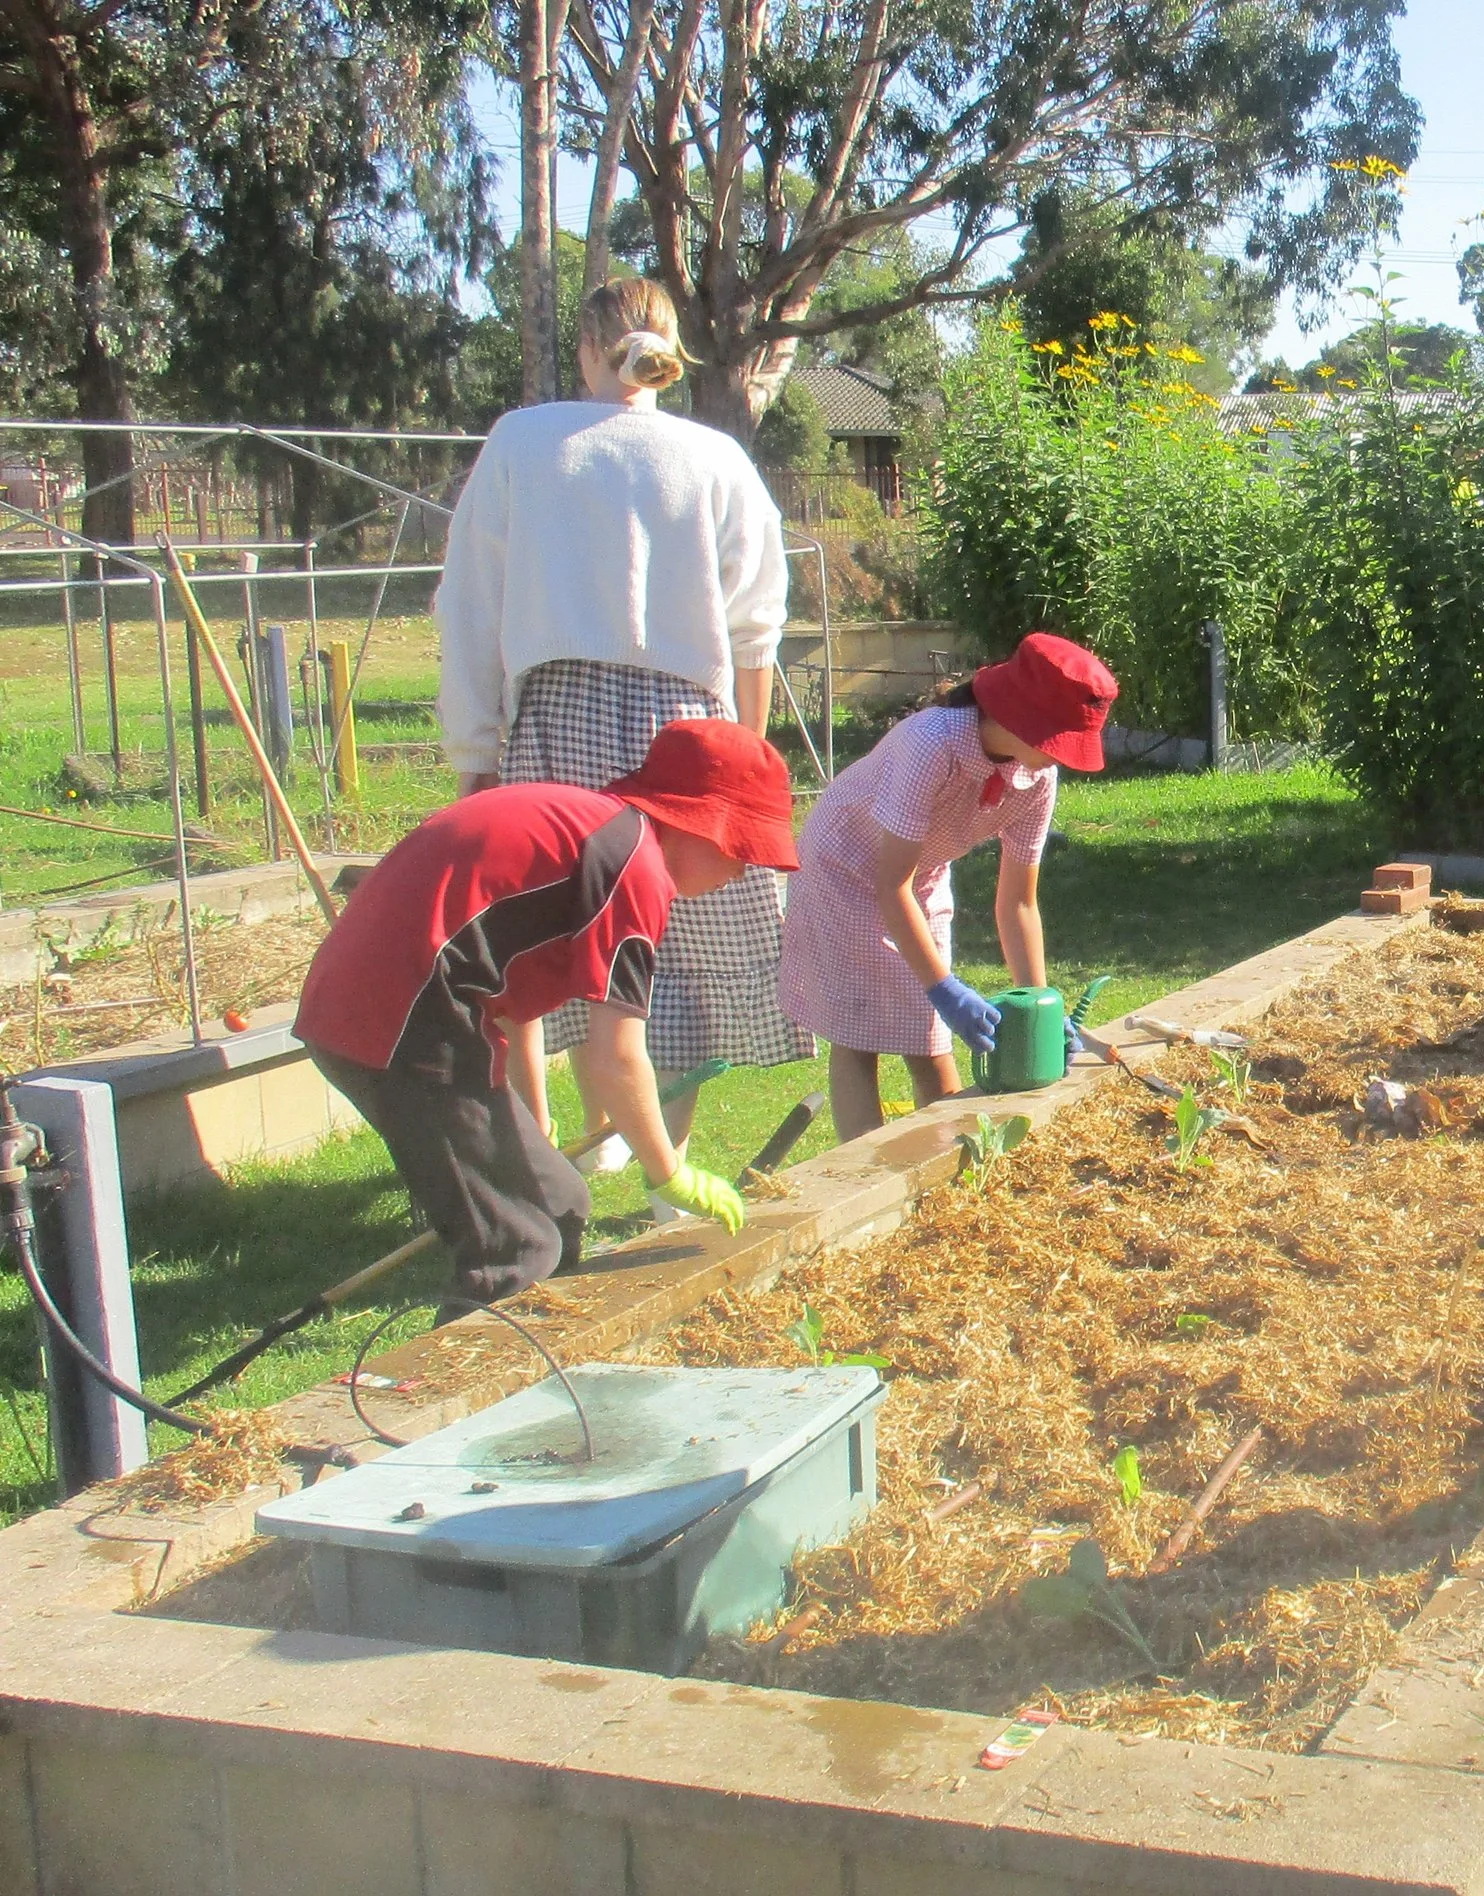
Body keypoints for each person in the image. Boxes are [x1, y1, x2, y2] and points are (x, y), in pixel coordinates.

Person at [432, 274, 807, 1191]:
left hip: (555, 727)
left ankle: (541, 1155)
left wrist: (475, 757)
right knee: (663, 949)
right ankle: (657, 1163)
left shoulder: (522, 442)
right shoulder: (714, 455)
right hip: (683, 734)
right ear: (672, 350)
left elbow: (469, 612)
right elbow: (757, 626)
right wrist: (744, 768)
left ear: (589, 350)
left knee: (528, 940)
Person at [295, 722, 799, 1316]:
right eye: (740, 849)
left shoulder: (597, 832)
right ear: (696, 822)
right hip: (400, 1018)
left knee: (559, 1202)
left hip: (394, 1003)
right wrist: (671, 1174)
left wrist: (530, 1120)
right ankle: (466, 1393)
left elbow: (511, 994)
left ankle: (549, 1359)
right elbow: (617, 1058)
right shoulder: (633, 867)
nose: (740, 871)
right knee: (516, 1245)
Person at [780, 633, 1116, 1143]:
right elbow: (890, 884)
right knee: (858, 1033)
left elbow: (1019, 902)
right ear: (1021, 717)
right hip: (840, 870)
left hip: (921, 876)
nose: (1063, 758)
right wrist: (945, 988)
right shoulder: (932, 744)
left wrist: (1040, 998)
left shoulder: (1036, 779)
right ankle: (860, 1177)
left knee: (931, 1038)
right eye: (1059, 741)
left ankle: (949, 1164)